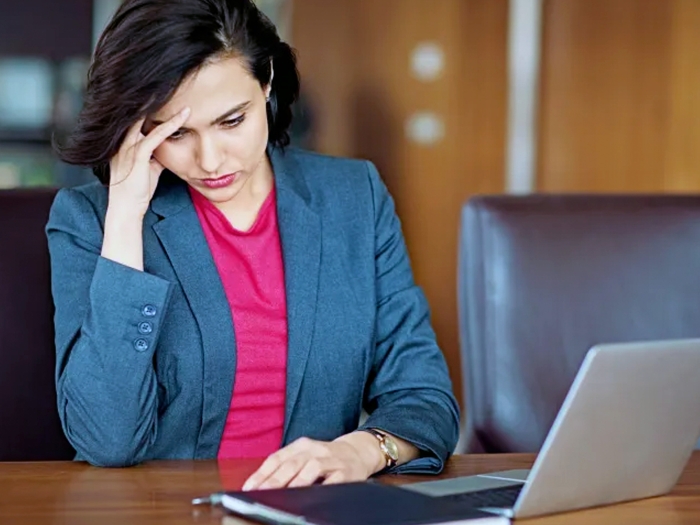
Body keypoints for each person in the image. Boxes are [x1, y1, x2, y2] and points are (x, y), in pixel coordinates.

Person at [46, 0, 460, 489]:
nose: (210, 159)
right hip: (161, 510)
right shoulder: (90, 222)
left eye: (232, 121)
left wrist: (363, 450)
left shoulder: (353, 198)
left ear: (265, 83)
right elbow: (106, 440)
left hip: (315, 511)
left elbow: (425, 395)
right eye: (176, 133)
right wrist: (125, 221)